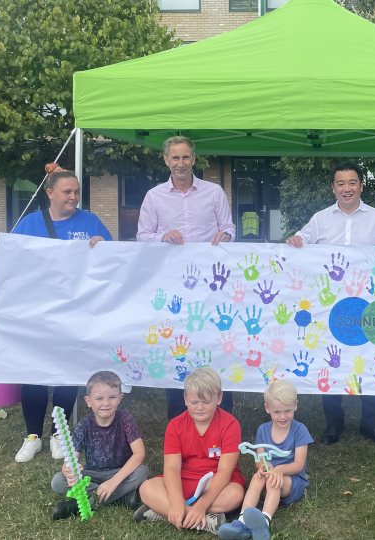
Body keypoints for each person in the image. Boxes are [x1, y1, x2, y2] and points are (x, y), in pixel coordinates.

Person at [0, 163, 111, 463]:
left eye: (77, 192)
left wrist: (104, 248)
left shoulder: (91, 222)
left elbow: (112, 265)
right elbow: (10, 270)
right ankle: (32, 436)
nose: (73, 197)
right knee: (34, 373)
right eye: (67, 192)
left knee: (67, 375)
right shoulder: (29, 224)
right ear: (49, 193)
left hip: (76, 312)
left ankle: (58, 435)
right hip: (35, 313)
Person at [286, 160, 375, 447]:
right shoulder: (321, 219)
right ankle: (333, 424)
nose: (346, 188)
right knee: (331, 358)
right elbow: (302, 240)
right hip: (330, 307)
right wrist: (296, 241)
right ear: (333, 188)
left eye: (352, 183)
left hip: (369, 306)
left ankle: (372, 424)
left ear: (361, 185)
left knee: (373, 359)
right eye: (340, 183)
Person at [136, 135, 236, 420]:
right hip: (172, 288)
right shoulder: (154, 196)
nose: (181, 163)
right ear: (166, 160)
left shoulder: (214, 192)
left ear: (194, 159)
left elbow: (229, 227)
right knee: (177, 344)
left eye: (185, 157)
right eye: (175, 158)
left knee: (213, 344)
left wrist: (226, 235)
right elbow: (143, 236)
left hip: (210, 286)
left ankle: (221, 413)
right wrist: (161, 237)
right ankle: (179, 414)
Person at [134, 368, 245, 534]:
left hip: (217, 483)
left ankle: (164, 511)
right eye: (194, 402)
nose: (200, 407)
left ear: (219, 398)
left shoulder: (230, 424)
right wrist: (178, 502)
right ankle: (204, 521)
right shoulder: (175, 425)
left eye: (206, 402)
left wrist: (201, 504)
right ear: (185, 399)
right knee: (147, 488)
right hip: (184, 479)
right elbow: (172, 468)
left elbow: (225, 470)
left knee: (235, 495)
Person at [218, 380, 313, 540]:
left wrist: (279, 470)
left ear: (296, 405)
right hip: (268, 478)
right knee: (258, 476)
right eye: (277, 412)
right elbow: (258, 461)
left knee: (272, 480)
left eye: (287, 411)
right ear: (267, 408)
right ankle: (242, 522)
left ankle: (264, 521)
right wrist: (263, 466)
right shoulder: (263, 429)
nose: (283, 416)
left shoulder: (300, 430)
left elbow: (298, 465)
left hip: (291, 482)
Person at [51, 371, 148, 519]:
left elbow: (139, 453)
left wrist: (113, 482)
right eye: (99, 398)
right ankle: (122, 498)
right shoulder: (84, 425)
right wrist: (68, 471)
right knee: (58, 481)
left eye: (112, 397)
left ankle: (82, 504)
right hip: (92, 476)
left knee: (142, 472)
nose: (106, 403)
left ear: (120, 398)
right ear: (88, 401)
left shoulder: (125, 419)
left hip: (120, 473)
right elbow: (71, 460)